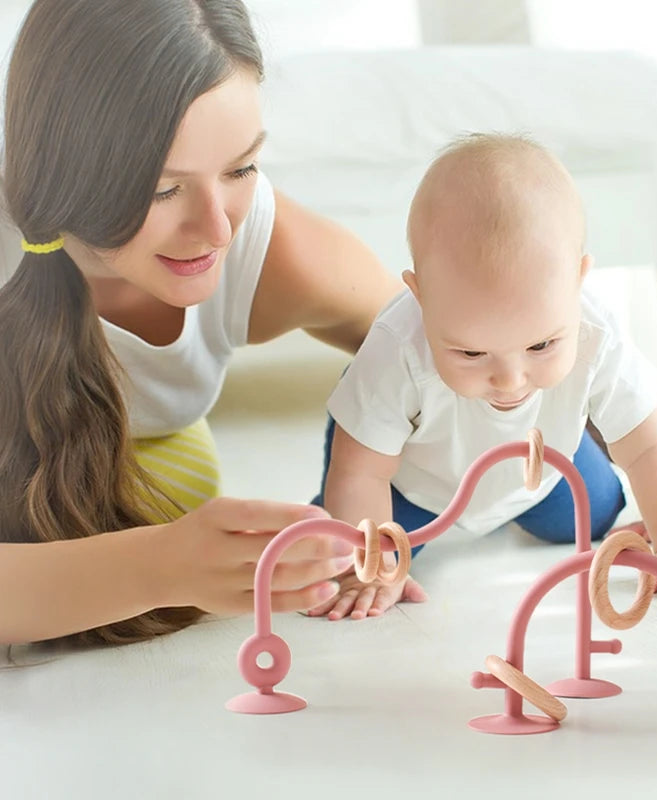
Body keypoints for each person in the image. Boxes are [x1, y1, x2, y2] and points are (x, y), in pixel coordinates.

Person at [0, 0, 402, 645]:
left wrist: (373, 507)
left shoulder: (270, 246)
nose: (218, 229)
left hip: (154, 454)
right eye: (163, 189)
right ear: (64, 174)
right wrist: (158, 567)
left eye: (241, 168)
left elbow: (435, 347)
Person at [309, 132, 657, 621]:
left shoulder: (594, 332)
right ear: (419, 295)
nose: (510, 379)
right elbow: (362, 472)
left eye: (541, 345)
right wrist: (366, 570)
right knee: (330, 544)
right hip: (415, 487)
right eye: (472, 351)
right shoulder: (396, 348)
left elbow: (648, 445)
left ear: (578, 280)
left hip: (541, 469)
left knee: (599, 512)